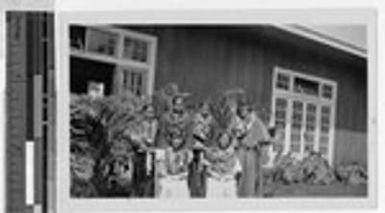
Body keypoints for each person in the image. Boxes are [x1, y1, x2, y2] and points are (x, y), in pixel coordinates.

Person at [231, 101, 270, 197]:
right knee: (239, 177)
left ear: (249, 111)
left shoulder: (257, 123)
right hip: (240, 154)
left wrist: (257, 143)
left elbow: (266, 139)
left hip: (252, 154)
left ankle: (250, 199)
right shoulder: (238, 122)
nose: (242, 113)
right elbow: (232, 137)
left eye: (243, 111)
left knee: (251, 179)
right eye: (240, 111)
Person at [205, 130, 242, 198]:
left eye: (226, 139)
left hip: (228, 182)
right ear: (218, 140)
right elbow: (207, 166)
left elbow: (238, 172)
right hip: (215, 181)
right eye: (222, 138)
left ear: (229, 141)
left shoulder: (233, 154)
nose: (224, 141)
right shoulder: (211, 152)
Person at [188, 103, 214, 197]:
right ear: (199, 109)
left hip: (207, 148)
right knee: (195, 172)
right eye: (203, 108)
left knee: (206, 172)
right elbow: (190, 134)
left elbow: (213, 135)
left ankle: (204, 193)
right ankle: (195, 193)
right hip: (196, 149)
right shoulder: (194, 120)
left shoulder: (212, 121)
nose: (205, 110)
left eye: (207, 108)